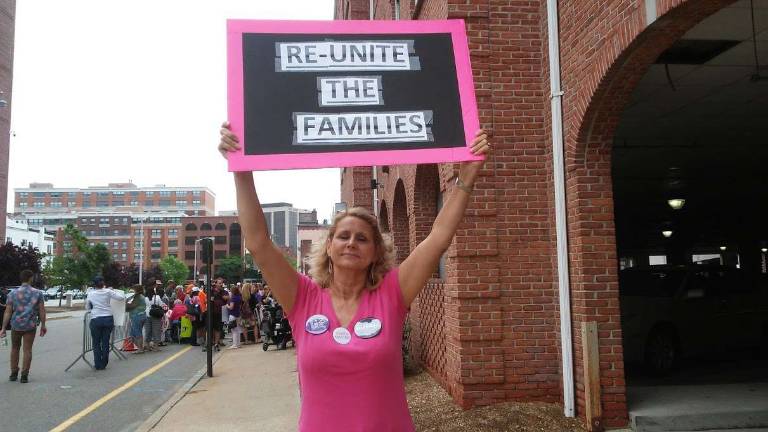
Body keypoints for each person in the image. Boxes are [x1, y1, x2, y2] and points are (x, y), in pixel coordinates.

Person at [219, 122, 491, 431]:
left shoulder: (392, 293)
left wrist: (465, 178)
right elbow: (258, 243)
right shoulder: (303, 297)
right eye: (343, 236)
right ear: (329, 247)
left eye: (362, 239)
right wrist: (241, 170)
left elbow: (439, 237)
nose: (351, 243)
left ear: (376, 251)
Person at [1, 270, 46, 383]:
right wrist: (43, 325)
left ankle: (13, 373)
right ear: (30, 278)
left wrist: (3, 328)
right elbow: (41, 311)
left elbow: (8, 311)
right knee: (27, 350)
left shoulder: (12, 293)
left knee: (15, 348)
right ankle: (24, 375)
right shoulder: (37, 293)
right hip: (30, 326)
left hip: (15, 325)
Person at [85, 276, 125, 370]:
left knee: (96, 343)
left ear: (94, 285)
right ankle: (104, 363)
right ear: (103, 284)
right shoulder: (108, 291)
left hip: (96, 318)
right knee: (105, 342)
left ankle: (97, 364)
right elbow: (121, 297)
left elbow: (87, 307)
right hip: (108, 318)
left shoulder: (91, 294)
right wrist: (112, 290)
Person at [125, 284, 147, 353]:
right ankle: (140, 347)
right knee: (133, 333)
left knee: (137, 333)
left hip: (137, 316)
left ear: (136, 289)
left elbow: (132, 305)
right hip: (141, 315)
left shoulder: (138, 297)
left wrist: (125, 304)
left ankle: (140, 349)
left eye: (133, 289)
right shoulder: (141, 296)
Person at [144, 286, 164, 351]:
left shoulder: (145, 298)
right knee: (156, 331)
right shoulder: (157, 297)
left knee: (148, 331)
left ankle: (147, 346)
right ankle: (156, 347)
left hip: (147, 315)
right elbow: (161, 305)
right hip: (156, 315)